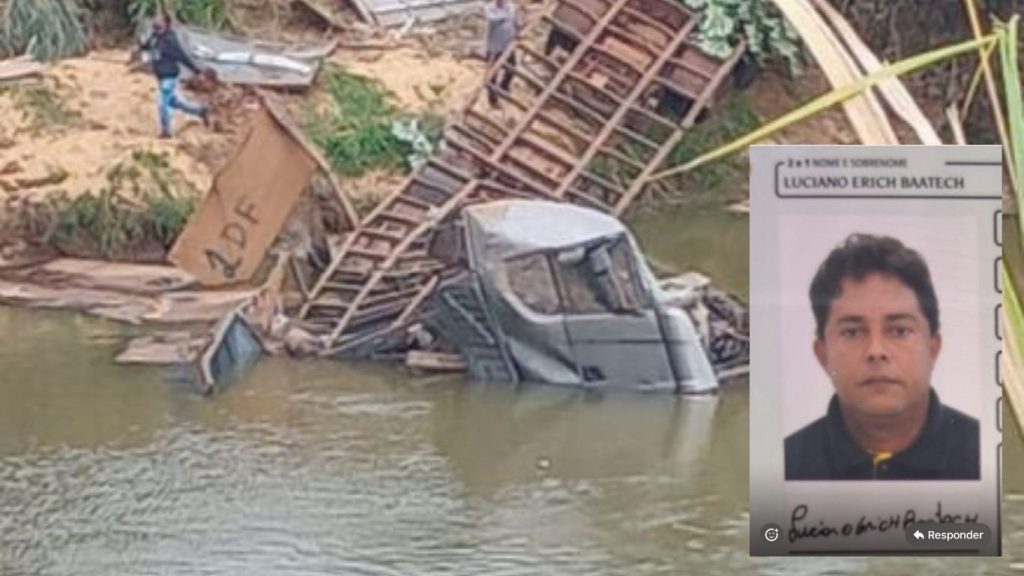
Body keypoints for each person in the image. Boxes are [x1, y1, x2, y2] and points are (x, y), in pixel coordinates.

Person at [784, 233, 979, 480]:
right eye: (852, 332)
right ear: (823, 355)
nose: (876, 351)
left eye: (899, 331)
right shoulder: (786, 466)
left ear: (933, 348)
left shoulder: (985, 457)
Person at [138, 11, 210, 138]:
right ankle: (200, 110)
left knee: (163, 104)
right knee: (175, 102)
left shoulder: (171, 40)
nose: (156, 26)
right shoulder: (155, 36)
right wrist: (142, 46)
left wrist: (197, 71)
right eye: (155, 24)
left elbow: (182, 56)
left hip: (169, 76)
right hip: (160, 77)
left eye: (159, 24)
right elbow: (148, 46)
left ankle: (166, 132)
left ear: (167, 24)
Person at [484, 0, 524, 108]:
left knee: (512, 67)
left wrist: (519, 29)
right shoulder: (490, 8)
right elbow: (493, 19)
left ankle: (504, 86)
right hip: (494, 46)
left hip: (507, 45)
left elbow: (518, 22)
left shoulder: (512, 7)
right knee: (492, 74)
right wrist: (508, 15)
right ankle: (493, 100)